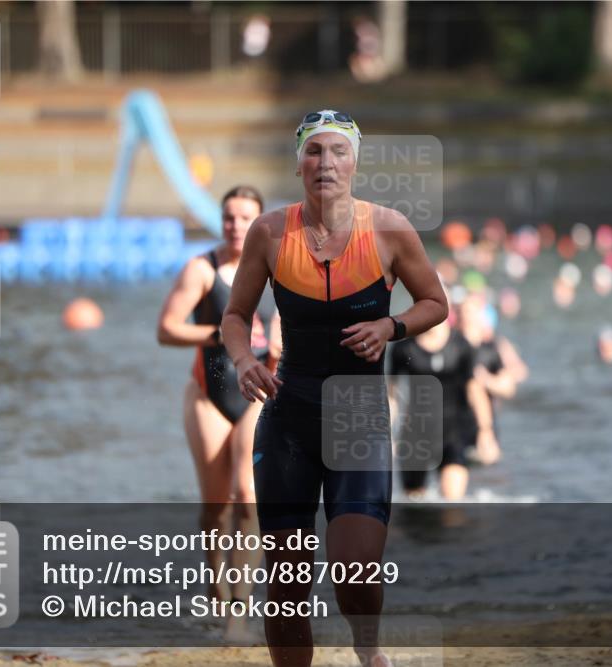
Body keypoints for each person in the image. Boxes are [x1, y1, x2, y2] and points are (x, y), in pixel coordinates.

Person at [221, 110, 447, 667]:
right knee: (286, 587)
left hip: (358, 415)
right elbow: (234, 316)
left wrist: (389, 327)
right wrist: (245, 357)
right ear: (299, 163)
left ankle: (367, 651)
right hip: (288, 413)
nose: (326, 163)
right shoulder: (270, 233)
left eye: (337, 152)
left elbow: (437, 304)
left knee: (354, 567)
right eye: (314, 152)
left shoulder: (389, 229)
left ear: (355, 161)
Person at [156, 185, 280, 642]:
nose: (235, 226)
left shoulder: (276, 269)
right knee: (216, 505)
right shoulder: (201, 270)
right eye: (229, 217)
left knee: (247, 496)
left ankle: (238, 617)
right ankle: (215, 585)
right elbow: (166, 329)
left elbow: (290, 321)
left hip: (256, 395)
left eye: (245, 218)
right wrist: (223, 334)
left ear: (260, 223)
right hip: (207, 394)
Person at [388, 306, 497, 499]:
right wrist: (385, 435)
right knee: (414, 507)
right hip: (415, 435)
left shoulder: (461, 345)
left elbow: (475, 390)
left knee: (452, 506)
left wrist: (486, 431)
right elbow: (392, 396)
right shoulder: (404, 348)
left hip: (453, 432)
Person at [456, 293, 528, 465]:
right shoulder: (451, 346)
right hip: (453, 427)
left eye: (471, 312)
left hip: (485, 430)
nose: (466, 316)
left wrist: (486, 380)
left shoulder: (490, 349)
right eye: (463, 311)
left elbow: (509, 387)